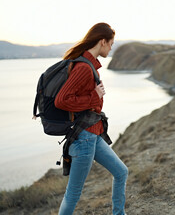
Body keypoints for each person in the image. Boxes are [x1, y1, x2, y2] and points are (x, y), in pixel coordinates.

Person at [55, 23, 128, 215]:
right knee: (73, 193)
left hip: (93, 134)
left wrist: (94, 97)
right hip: (84, 139)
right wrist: (94, 97)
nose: (111, 48)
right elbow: (61, 100)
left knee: (121, 172)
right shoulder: (84, 68)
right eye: (110, 44)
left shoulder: (89, 65)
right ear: (102, 41)